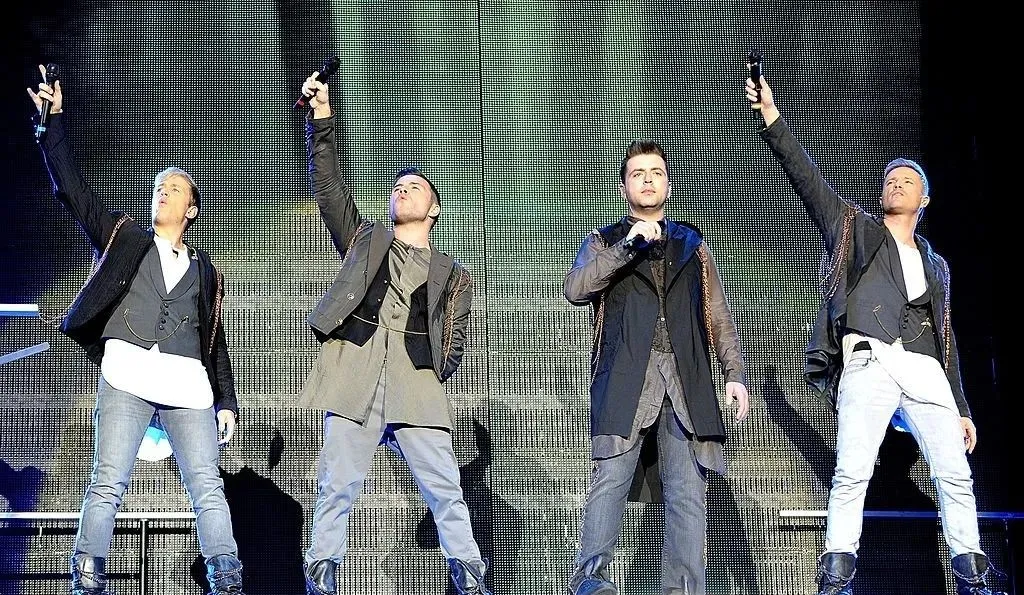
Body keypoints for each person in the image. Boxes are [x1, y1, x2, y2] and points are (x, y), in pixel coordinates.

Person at [745, 70, 1005, 595]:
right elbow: (809, 180)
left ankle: (972, 574)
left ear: (924, 200)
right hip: (869, 359)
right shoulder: (857, 230)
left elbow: (947, 340)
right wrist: (771, 116)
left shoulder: (936, 264)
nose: (896, 184)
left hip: (925, 371)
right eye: (890, 179)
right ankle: (836, 576)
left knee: (954, 473)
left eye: (907, 181)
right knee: (852, 471)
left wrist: (962, 407)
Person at [26, 65, 245, 595]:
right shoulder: (125, 237)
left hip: (187, 385)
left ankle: (226, 576)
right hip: (127, 373)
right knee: (108, 480)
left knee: (208, 487)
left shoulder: (207, 271)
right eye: (159, 187)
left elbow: (214, 342)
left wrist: (226, 402)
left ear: (192, 208)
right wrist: (53, 125)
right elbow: (75, 193)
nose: (163, 192)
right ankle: (87, 574)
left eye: (175, 188)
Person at [294, 70, 490, 595]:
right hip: (357, 373)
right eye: (397, 188)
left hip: (415, 382)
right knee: (337, 486)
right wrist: (321, 119)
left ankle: (470, 578)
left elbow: (455, 338)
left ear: (435, 208)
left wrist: (436, 367)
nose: (403, 191)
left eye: (414, 187)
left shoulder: (454, 273)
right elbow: (330, 189)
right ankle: (322, 576)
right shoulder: (366, 240)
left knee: (445, 490)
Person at [564, 140, 751, 595]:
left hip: (686, 377)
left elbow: (717, 314)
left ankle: (683, 588)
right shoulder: (606, 240)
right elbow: (575, 288)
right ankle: (592, 581)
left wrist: (734, 374)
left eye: (656, 173)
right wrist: (628, 246)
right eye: (637, 173)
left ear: (667, 184)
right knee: (611, 478)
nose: (647, 180)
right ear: (624, 187)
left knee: (687, 489)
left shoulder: (692, 244)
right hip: (628, 374)